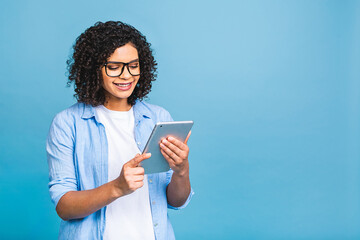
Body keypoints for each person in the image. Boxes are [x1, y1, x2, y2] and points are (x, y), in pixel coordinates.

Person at [46, 21, 194, 240]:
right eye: (114, 67)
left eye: (133, 65)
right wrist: (117, 187)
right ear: (94, 69)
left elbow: (176, 201)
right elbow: (64, 207)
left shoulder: (158, 118)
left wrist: (181, 170)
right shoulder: (67, 123)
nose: (126, 76)